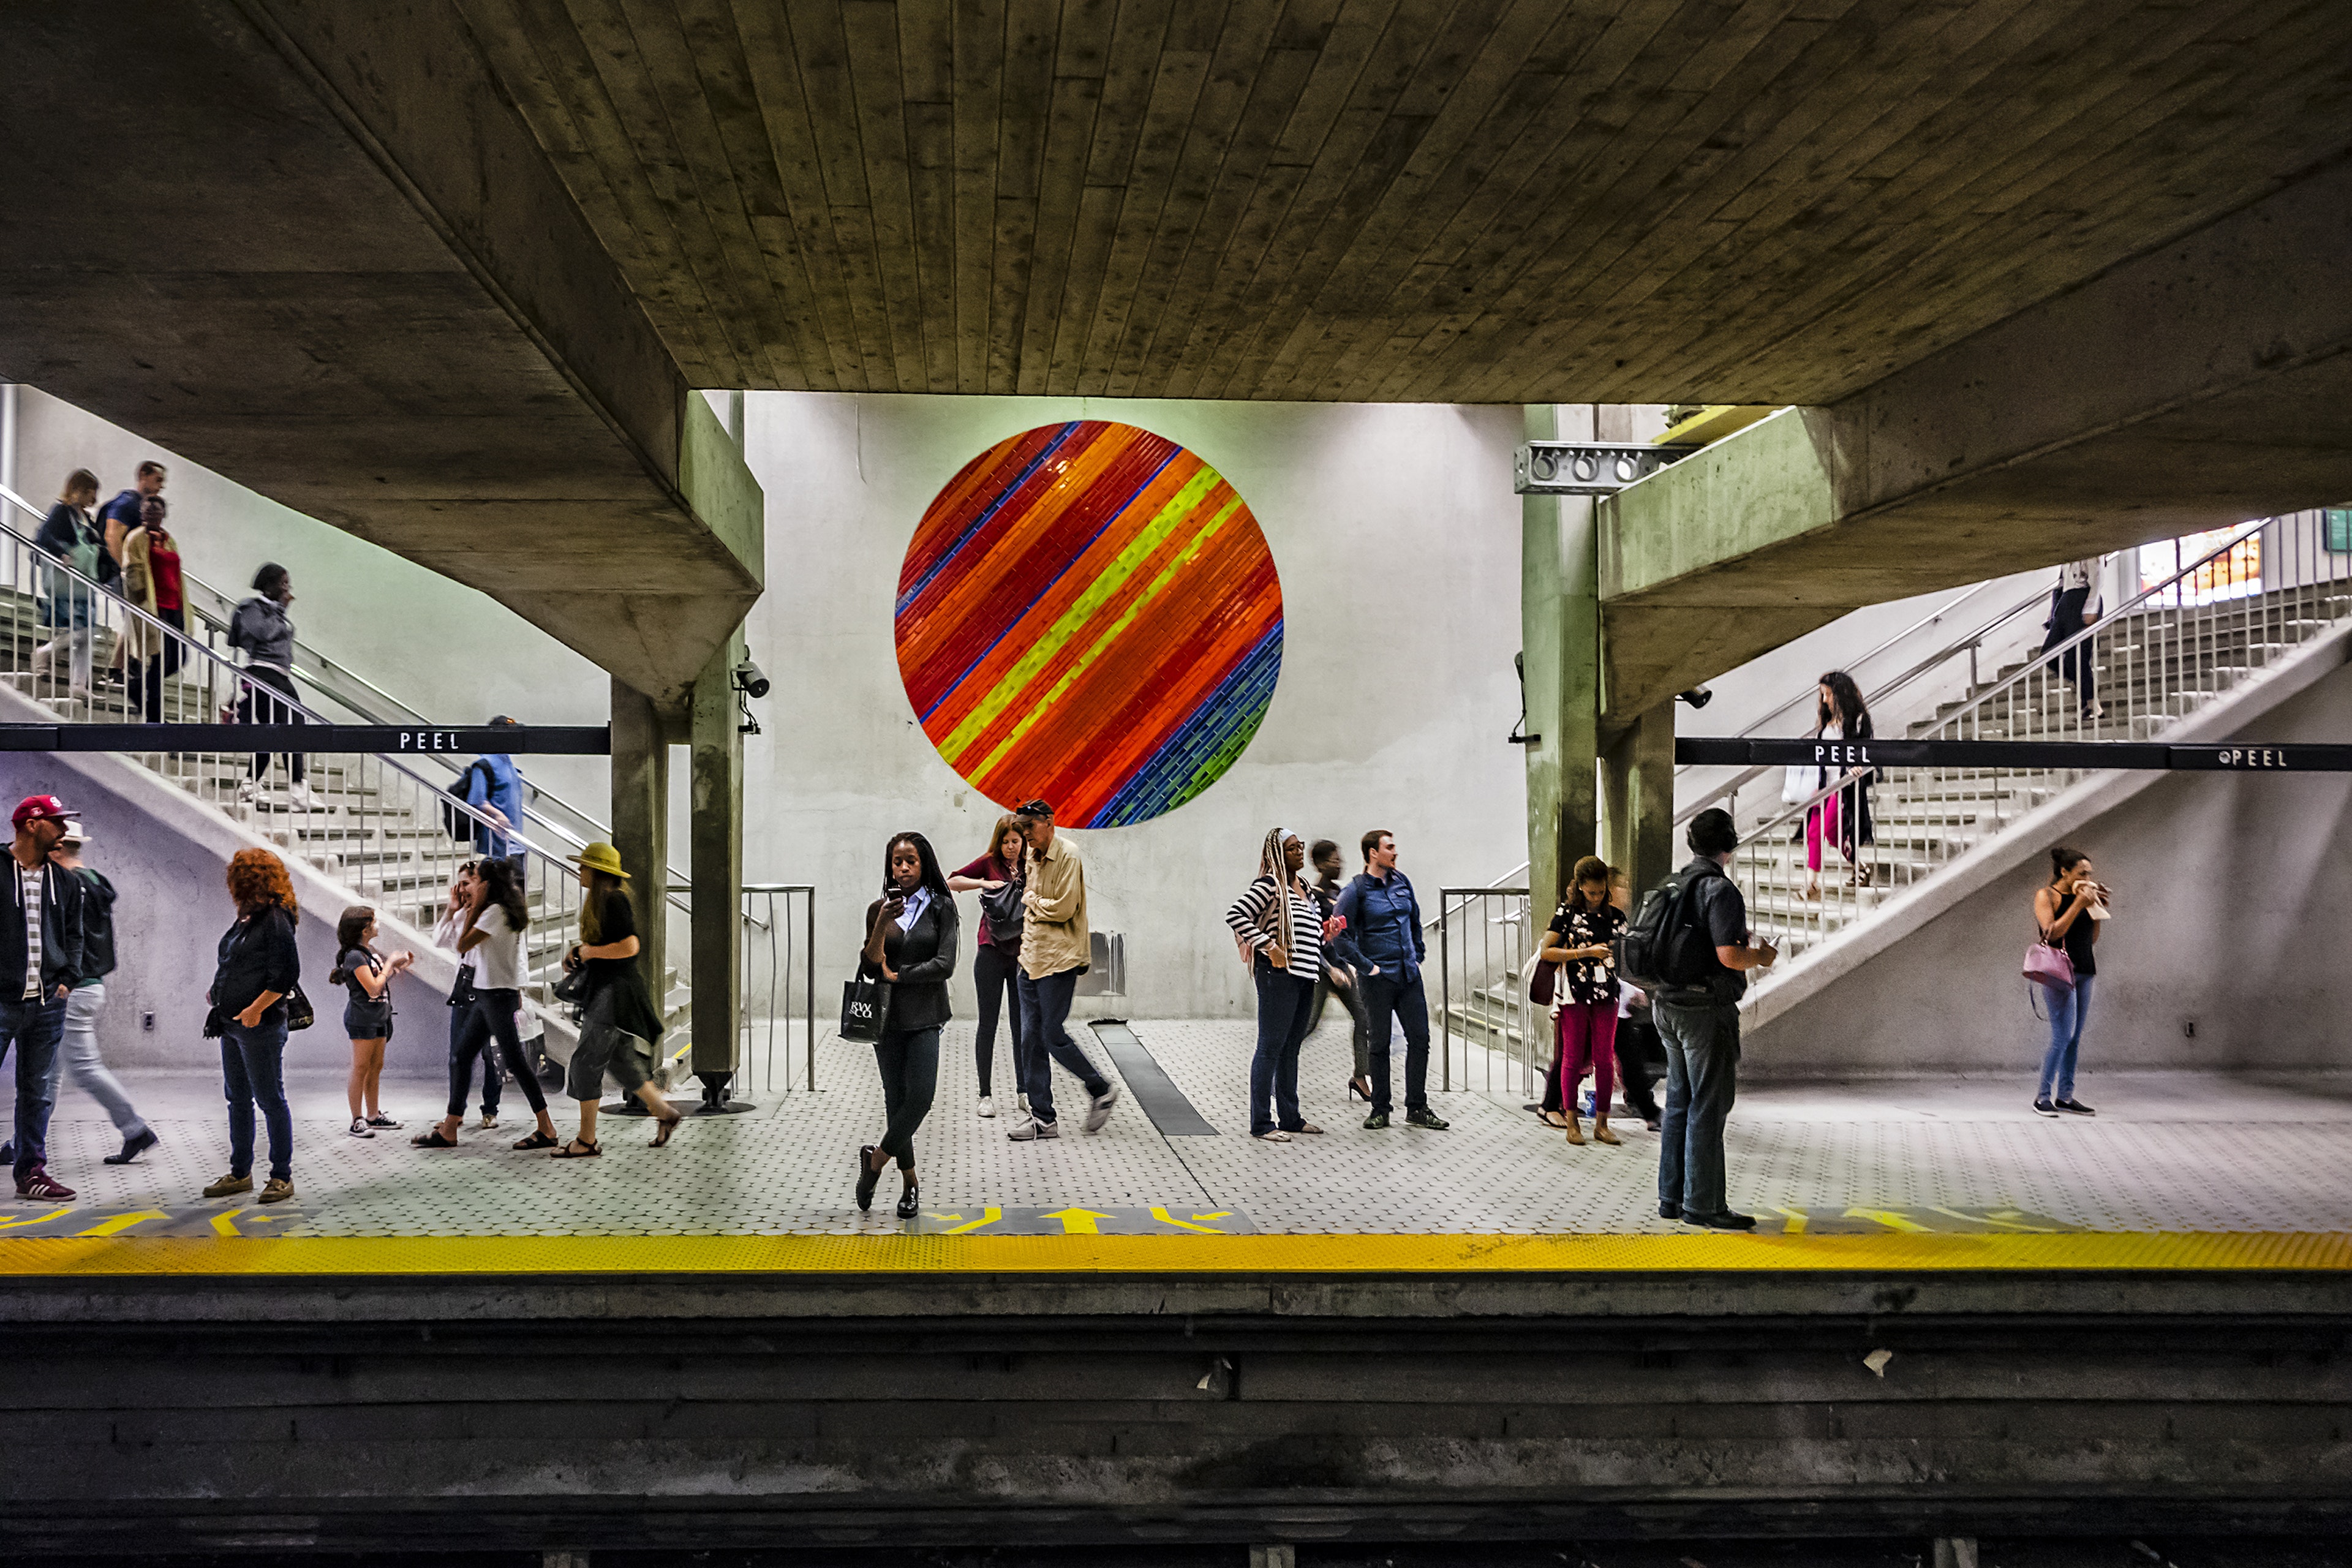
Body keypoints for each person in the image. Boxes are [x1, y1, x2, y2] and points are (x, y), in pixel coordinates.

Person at [1650, 809, 1778, 1230]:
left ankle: (1672, 1197)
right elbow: (1729, 956)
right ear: (1730, 842)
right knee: (1708, 1105)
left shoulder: (1674, 884)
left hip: (1667, 1006)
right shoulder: (1719, 891)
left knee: (1679, 1102)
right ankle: (1703, 1205)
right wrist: (1761, 956)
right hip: (1705, 1013)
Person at [413, 858, 562, 1151]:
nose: (473, 885)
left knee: (516, 1062)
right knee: (461, 1056)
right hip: (486, 995)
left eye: (478, 880)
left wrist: (473, 907)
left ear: (489, 885)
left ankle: (547, 1127)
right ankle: (449, 1128)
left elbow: (463, 944)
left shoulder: (495, 912)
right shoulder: (501, 910)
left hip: (496, 997)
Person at [554, 842, 682, 1156]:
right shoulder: (603, 902)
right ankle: (664, 1113)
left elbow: (630, 946)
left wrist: (587, 952)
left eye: (584, 867)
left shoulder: (615, 901)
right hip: (610, 991)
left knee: (585, 1063)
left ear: (597, 873)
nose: (580, 871)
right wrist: (579, 952)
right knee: (622, 1061)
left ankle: (586, 1140)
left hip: (613, 994)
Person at [855, 831, 960, 1217]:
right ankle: (911, 1184)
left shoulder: (941, 908)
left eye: (911, 861)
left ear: (924, 863)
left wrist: (901, 976)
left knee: (921, 1097)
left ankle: (876, 1160)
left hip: (926, 1016)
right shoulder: (878, 909)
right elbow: (870, 966)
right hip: (886, 1019)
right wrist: (882, 923)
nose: (903, 869)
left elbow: (946, 964)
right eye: (897, 862)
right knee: (895, 1099)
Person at [1008, 799, 1118, 1142]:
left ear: (1049, 822)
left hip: (1060, 959)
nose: (1026, 836)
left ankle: (1100, 1087)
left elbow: (1064, 909)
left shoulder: (1068, 854)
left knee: (1051, 1034)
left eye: (1030, 828)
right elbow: (1038, 902)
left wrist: (1031, 901)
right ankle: (1043, 1119)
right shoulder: (1031, 855)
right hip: (1030, 957)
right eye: (1022, 830)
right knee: (1029, 1039)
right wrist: (1035, 906)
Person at [47, 821, 156, 1166]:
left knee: (83, 1068)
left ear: (58, 848)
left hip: (72, 989)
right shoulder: (95, 881)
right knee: (47, 1071)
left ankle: (135, 1130)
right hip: (89, 985)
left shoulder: (65, 885)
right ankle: (24, 1140)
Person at [202, 848, 303, 1205]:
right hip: (232, 1023)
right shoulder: (247, 919)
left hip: (257, 1024)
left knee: (269, 1099)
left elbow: (285, 975)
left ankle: (281, 1176)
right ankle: (240, 1172)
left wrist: (255, 1010)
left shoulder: (276, 919)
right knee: (238, 1099)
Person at [1335, 829, 1448, 1132]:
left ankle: (1417, 1107)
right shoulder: (1355, 891)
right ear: (1373, 853)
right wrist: (1367, 967)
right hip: (1377, 979)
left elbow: (1414, 921)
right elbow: (1340, 938)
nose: (1395, 852)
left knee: (1420, 1039)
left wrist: (1417, 954)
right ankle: (1380, 1109)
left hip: (1408, 976)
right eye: (1390, 847)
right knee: (1379, 1043)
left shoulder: (1402, 882)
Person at [0, 796, 84, 1200]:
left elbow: (75, 936)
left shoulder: (65, 881)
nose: (64, 830)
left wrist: (68, 978)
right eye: (56, 822)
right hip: (1, 1002)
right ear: (31, 825)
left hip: (47, 1003)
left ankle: (31, 1172)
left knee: (37, 1092)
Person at [1224, 828, 1327, 1141]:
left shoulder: (1306, 889)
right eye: (1292, 848)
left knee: (1291, 1048)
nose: (1299, 852)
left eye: (1300, 847)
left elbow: (1310, 933)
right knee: (1270, 1047)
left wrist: (1327, 934)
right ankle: (1262, 1124)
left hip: (1306, 976)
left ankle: (1291, 1117)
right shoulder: (1269, 885)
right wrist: (1270, 946)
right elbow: (1236, 914)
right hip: (1278, 977)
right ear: (1277, 855)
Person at [1536, 855, 1626, 1147]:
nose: (1597, 897)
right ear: (1580, 888)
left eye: (1601, 892)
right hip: (1575, 993)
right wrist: (1585, 953)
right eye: (1591, 893)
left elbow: (1626, 949)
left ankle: (1602, 1122)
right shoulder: (1566, 914)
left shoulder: (1615, 916)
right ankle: (1572, 1120)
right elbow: (1547, 951)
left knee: (1604, 1057)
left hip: (1607, 993)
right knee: (1572, 1057)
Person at [947, 814, 1026, 1118]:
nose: (1010, 848)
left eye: (1015, 842)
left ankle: (1024, 1092)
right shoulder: (990, 861)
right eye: (1005, 842)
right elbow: (951, 880)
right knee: (988, 1024)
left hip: (1021, 953)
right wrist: (983, 882)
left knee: (1022, 1026)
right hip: (990, 950)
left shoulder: (1031, 866)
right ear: (999, 841)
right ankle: (985, 1095)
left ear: (1023, 842)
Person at [229, 564, 316, 808]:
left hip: (281, 675)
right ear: (267, 584)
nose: (287, 588)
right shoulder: (251, 607)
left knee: (293, 728)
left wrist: (280, 611)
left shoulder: (274, 611)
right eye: (283, 582)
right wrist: (282, 609)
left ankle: (285, 785)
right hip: (262, 673)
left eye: (288, 583)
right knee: (279, 730)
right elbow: (263, 633)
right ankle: (282, 786)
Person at [2033, 847, 2105, 1118]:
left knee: (2074, 1038)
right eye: (2081, 873)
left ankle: (2065, 1096)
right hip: (2059, 972)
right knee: (2061, 1035)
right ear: (2065, 872)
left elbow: (2091, 939)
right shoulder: (2047, 895)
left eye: (2090, 874)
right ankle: (2042, 1097)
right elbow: (2052, 934)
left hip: (2086, 970)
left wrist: (2097, 909)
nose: (2088, 878)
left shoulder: (2085, 897)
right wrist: (2077, 904)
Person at [1791, 671, 1875, 900]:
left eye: (1828, 694)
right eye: (1823, 695)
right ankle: (1812, 884)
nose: (1825, 700)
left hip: (1843, 787)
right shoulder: (1827, 723)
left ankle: (1859, 866)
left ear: (1840, 694)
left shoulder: (1859, 720)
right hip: (1824, 786)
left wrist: (1858, 767)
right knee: (1813, 832)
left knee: (1830, 830)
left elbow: (1868, 752)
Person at [430, 862, 502, 1128]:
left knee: (490, 1054)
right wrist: (451, 911)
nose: (462, 889)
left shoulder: (492, 915)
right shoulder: (462, 915)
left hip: (488, 990)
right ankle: (455, 1113)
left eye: (467, 883)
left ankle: (490, 1109)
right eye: (459, 883)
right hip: (463, 989)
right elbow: (438, 941)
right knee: (457, 1055)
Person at [331, 905, 412, 1139]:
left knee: (376, 1066)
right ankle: (357, 1119)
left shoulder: (368, 951)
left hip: (379, 1016)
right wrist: (390, 963)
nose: (378, 925)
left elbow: (380, 979)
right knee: (360, 1067)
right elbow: (374, 989)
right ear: (365, 929)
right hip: (362, 1018)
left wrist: (397, 965)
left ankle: (373, 1115)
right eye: (374, 922)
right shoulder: (355, 956)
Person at [30, 469, 108, 701]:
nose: (92, 498)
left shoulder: (85, 518)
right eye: (90, 492)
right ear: (78, 490)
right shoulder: (62, 511)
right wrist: (61, 554)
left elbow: (99, 546)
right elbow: (44, 537)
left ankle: (78, 683)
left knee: (87, 634)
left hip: (84, 582)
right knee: (79, 632)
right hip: (66, 581)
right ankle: (44, 652)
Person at [1305, 839, 1372, 1104]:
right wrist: (1329, 968)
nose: (1340, 864)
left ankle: (1360, 1078)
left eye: (1340, 859)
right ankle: (1276, 1069)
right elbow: (1311, 937)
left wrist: (1349, 963)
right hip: (1320, 971)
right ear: (1320, 865)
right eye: (1334, 860)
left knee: (1364, 1018)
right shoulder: (1312, 895)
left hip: (1342, 970)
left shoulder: (1339, 894)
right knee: (1308, 1026)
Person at [120, 493, 188, 724]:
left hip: (174, 606)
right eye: (146, 512)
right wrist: (139, 595)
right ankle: (155, 715)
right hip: (154, 606)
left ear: (163, 514)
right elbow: (132, 568)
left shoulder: (169, 540)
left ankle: (138, 686)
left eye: (155, 512)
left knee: (177, 658)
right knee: (160, 660)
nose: (150, 516)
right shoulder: (136, 538)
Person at [97, 462, 165, 689]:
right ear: (143, 476)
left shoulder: (138, 506)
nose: (161, 487)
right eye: (158, 480)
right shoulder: (127, 503)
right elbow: (112, 536)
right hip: (122, 574)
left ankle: (124, 667)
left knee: (137, 619)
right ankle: (120, 669)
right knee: (135, 618)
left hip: (132, 574)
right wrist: (125, 570)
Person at [2043, 556, 2108, 721]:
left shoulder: (2092, 554)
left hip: (2083, 600)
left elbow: (2097, 579)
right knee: (2049, 654)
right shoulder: (2067, 557)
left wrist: (2091, 609)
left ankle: (2093, 705)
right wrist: (2053, 615)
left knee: (2077, 658)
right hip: (2066, 603)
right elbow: (2061, 585)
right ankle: (2087, 691)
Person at [458, 716, 529, 863]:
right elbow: (477, 801)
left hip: (516, 843)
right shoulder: (484, 764)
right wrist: (498, 815)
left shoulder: (507, 761)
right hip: (498, 847)